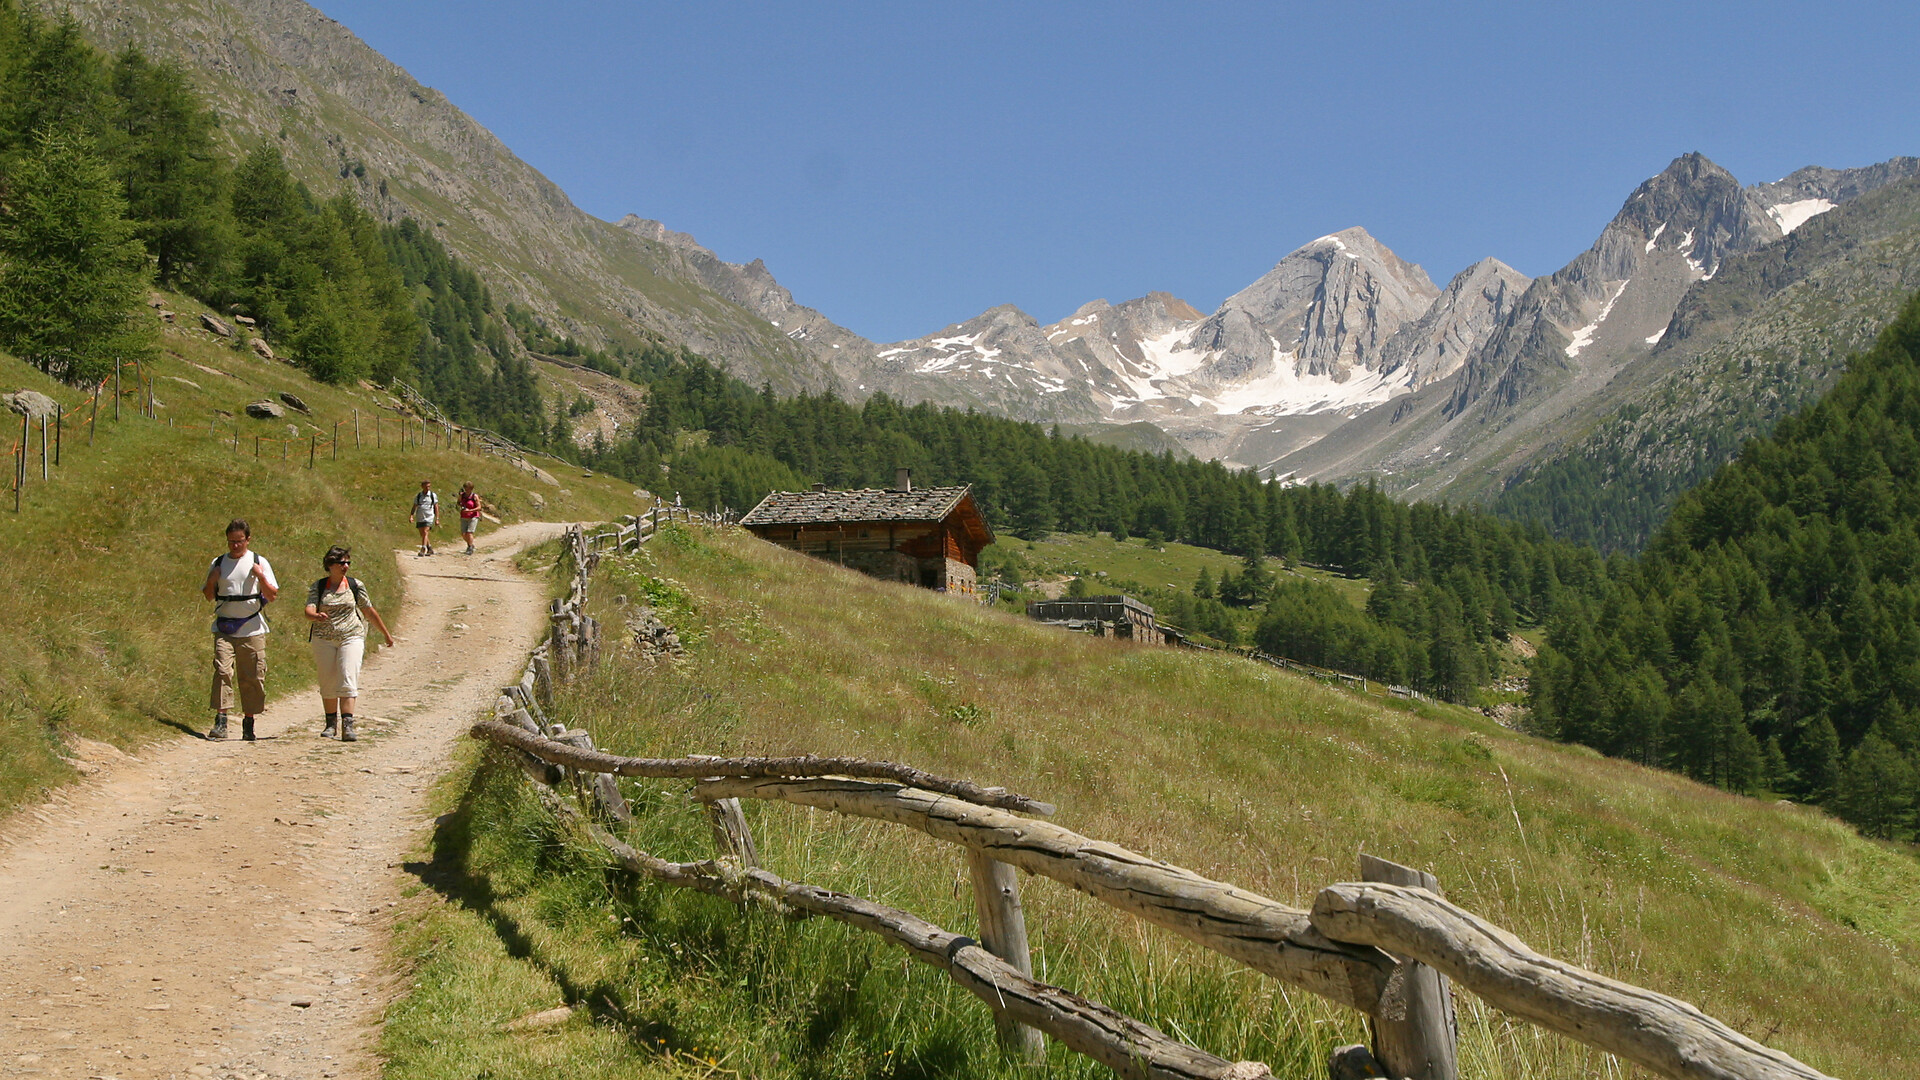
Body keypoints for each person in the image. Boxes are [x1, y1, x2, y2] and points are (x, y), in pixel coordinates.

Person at [303, 546, 393, 742]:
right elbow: (308, 609)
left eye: (348, 562)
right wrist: (316, 616)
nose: (345, 566)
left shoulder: (355, 585)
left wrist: (385, 634)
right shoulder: (319, 586)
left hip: (351, 636)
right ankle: (330, 724)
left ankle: (348, 725)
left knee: (347, 676)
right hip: (323, 638)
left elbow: (368, 610)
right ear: (330, 565)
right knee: (327, 680)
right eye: (341, 563)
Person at [202, 519, 279, 741]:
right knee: (222, 671)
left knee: (252, 676)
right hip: (224, 627)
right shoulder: (218, 563)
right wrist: (212, 580)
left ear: (248, 539)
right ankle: (221, 721)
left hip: (252, 628)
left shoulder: (258, 561)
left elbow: (272, 595)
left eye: (239, 541)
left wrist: (260, 576)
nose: (235, 546)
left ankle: (249, 722)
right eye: (231, 542)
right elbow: (208, 596)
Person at [411, 479, 439, 556]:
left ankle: (423, 548)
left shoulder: (432, 495)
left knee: (425, 531)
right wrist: (411, 516)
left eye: (429, 486)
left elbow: (436, 507)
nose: (428, 488)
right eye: (426, 487)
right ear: (422, 486)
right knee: (422, 533)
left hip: (429, 516)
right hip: (420, 516)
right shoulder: (418, 496)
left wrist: (437, 518)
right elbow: (414, 506)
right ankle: (429, 548)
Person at [457, 481, 481, 555]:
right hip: (464, 516)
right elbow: (458, 503)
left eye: (468, 489)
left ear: (471, 489)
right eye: (466, 488)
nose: (467, 490)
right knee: (463, 534)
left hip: (473, 516)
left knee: (469, 532)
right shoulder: (462, 495)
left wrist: (470, 510)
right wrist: (462, 506)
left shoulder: (474, 496)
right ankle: (471, 544)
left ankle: (470, 547)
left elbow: (479, 507)